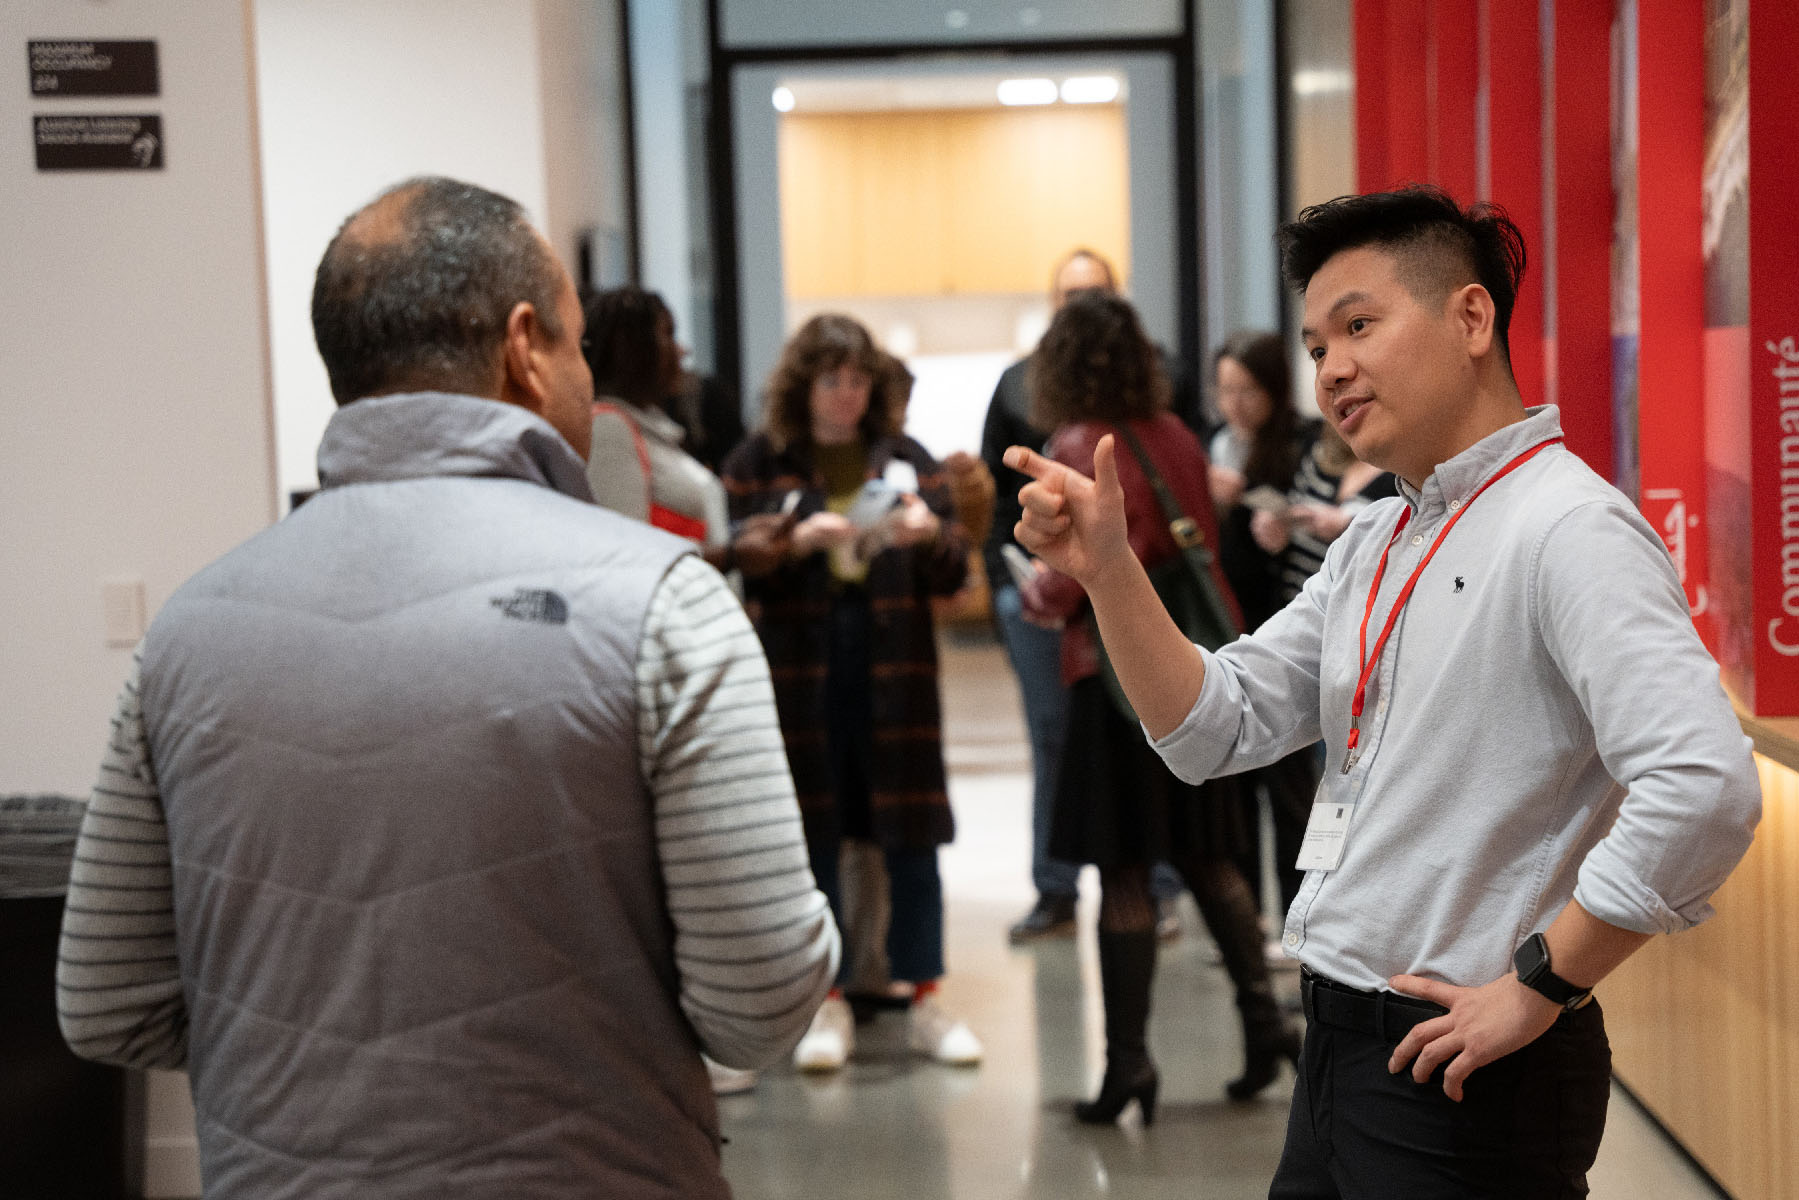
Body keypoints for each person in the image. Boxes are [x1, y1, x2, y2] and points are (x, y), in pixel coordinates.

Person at [55, 177, 839, 1199]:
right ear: (523, 346)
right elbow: (760, 998)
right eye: (576, 346)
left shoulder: (186, 634)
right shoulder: (661, 606)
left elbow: (105, 1001)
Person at [1008, 186, 1761, 1195]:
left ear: (1469, 317)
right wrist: (1107, 570)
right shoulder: (1377, 536)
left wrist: (1542, 983)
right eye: (1317, 344)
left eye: (1358, 325)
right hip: (1338, 1046)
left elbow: (1703, 781)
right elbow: (1210, 724)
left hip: (1462, 1069)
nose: (1331, 369)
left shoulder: (1565, 528)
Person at [1019, 291, 1301, 1121]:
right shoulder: (1177, 434)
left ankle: (1129, 1066)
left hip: (1117, 689)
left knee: (1127, 872)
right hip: (1196, 674)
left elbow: (1087, 572)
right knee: (1210, 857)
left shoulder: (1074, 445)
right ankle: (1262, 1029)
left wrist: (1036, 593)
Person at [720, 314, 982, 1073]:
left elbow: (955, 565)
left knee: (910, 833)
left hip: (894, 663)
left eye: (859, 381)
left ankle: (924, 994)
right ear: (804, 385)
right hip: (800, 665)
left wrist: (926, 534)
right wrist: (789, 543)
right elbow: (731, 553)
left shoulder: (903, 458)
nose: (847, 395)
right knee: (815, 835)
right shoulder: (758, 459)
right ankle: (824, 1002)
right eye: (833, 380)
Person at [983, 248, 1183, 943]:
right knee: (1061, 748)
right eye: (1069, 294)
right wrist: (1005, 593)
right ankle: (1059, 889)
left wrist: (1040, 596)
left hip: (1101, 630)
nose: (1081, 306)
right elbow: (993, 500)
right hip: (1134, 625)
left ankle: (1127, 1048)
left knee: (1120, 801)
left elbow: (1091, 561)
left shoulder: (1102, 428)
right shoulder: (1018, 389)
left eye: (1092, 293)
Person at [1206, 332, 1324, 925]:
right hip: (1225, 627)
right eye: (1226, 390)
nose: (1236, 403)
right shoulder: (1213, 449)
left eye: (1248, 390)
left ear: (1274, 391)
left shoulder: (1301, 445)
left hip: (1286, 626)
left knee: (1291, 785)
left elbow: (1310, 522)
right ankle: (1247, 918)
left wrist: (1269, 515)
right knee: (1235, 788)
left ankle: (1299, 919)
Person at [582, 285, 732, 571]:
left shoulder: (643, 424)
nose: (682, 350)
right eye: (668, 334)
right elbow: (627, 560)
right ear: (630, 348)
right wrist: (734, 556)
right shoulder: (607, 428)